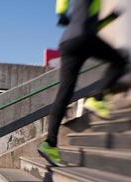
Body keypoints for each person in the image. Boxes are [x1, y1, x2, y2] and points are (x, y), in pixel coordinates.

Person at [38, 0, 128, 166]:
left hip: (67, 42)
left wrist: (62, 13)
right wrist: (62, 11)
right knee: (120, 61)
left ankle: (50, 144)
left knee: (64, 92)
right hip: (84, 38)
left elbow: (91, 23)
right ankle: (97, 97)